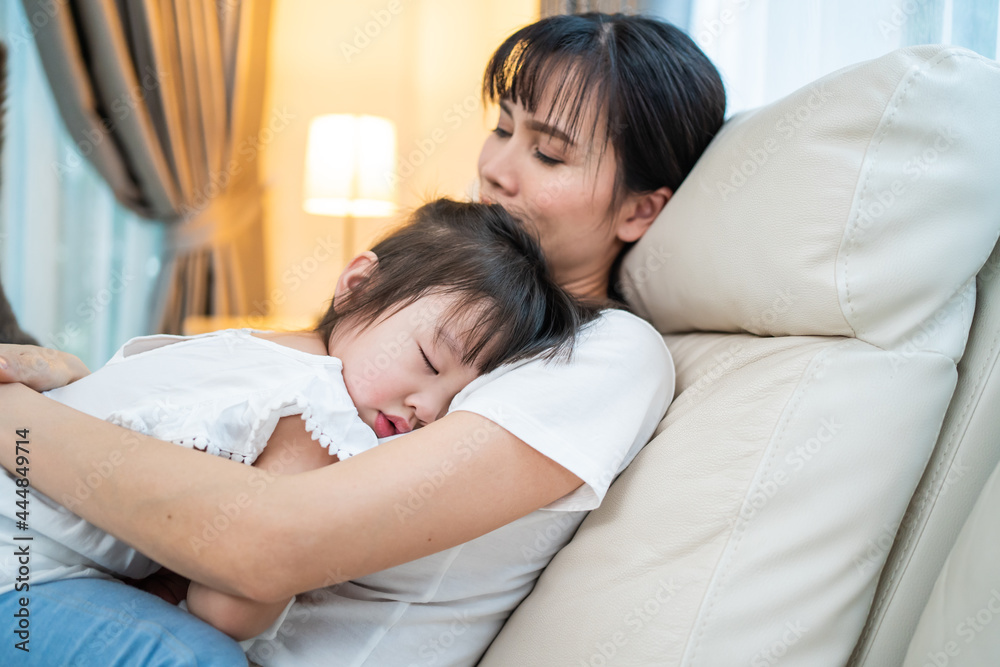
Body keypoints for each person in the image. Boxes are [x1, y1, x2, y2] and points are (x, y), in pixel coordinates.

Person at [0, 12, 725, 666]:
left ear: (638, 210)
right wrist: (71, 385)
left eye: (551, 154)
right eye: (503, 129)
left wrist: (21, 422)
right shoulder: (469, 303)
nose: (496, 171)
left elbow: (263, 541)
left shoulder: (604, 352)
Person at [0, 198, 589, 645]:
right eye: (430, 362)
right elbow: (228, 612)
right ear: (359, 285)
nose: (428, 410)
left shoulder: (250, 345)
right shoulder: (322, 410)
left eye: (456, 400)